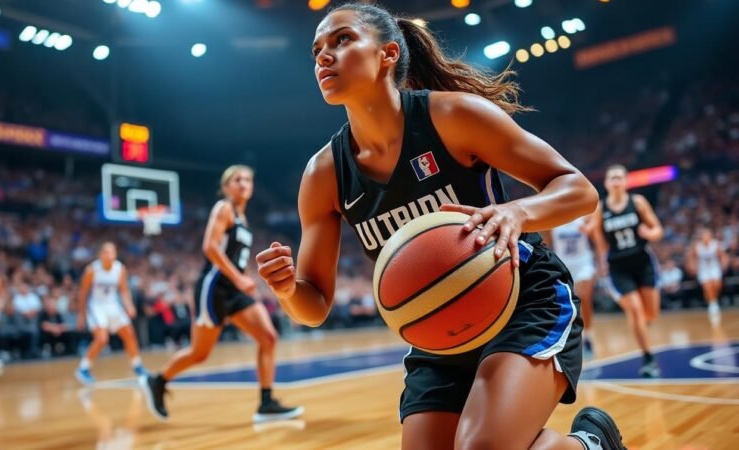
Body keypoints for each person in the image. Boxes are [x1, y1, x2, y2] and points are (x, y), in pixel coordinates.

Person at [256, 4, 625, 449]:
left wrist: (517, 212)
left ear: (388, 53)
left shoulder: (452, 117)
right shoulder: (323, 175)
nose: (323, 56)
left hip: (522, 298)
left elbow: (580, 189)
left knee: (482, 447)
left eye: (342, 40)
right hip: (439, 331)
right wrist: (287, 290)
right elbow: (313, 306)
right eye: (317, 49)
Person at [141, 166, 303, 423]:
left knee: (268, 337)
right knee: (199, 353)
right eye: (237, 179)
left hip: (234, 288)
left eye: (248, 179)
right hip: (214, 286)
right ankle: (157, 380)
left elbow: (235, 257)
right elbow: (210, 247)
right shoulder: (223, 208)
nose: (244, 183)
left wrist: (245, 277)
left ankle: (266, 402)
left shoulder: (243, 218)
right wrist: (238, 277)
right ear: (226, 186)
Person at [590, 164, 664, 378]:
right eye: (611, 177)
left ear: (625, 181)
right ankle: (648, 358)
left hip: (643, 261)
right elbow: (599, 241)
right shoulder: (600, 209)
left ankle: (644, 326)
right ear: (606, 183)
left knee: (651, 313)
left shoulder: (638, 202)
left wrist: (649, 232)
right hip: (618, 266)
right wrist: (602, 263)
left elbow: (658, 230)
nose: (615, 180)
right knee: (634, 309)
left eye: (619, 177)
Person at [76, 242, 147, 385]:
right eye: (106, 252)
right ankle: (83, 368)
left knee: (129, 334)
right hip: (97, 306)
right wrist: (81, 315)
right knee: (102, 339)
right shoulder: (92, 270)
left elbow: (124, 290)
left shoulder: (120, 268)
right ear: (101, 255)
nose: (110, 255)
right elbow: (83, 293)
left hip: (113, 305)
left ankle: (137, 365)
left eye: (112, 252)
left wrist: (129, 305)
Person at [545, 216, 597, 357]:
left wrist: (601, 261)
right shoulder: (553, 221)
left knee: (583, 297)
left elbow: (595, 239)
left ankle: (588, 336)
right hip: (563, 265)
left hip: (583, 263)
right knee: (565, 304)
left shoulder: (583, 218)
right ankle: (571, 339)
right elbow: (547, 244)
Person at [686, 228, 728, 325]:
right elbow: (691, 257)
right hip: (703, 269)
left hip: (715, 268)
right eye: (703, 236)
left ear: (710, 236)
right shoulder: (697, 246)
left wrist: (724, 264)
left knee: (717, 285)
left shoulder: (716, 244)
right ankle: (712, 303)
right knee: (707, 287)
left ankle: (714, 300)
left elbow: (723, 255)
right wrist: (692, 266)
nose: (705, 238)